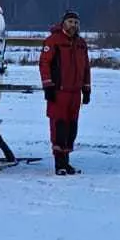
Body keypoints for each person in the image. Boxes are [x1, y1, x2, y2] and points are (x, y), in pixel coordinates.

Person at [39, 9, 92, 175]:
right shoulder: (53, 41)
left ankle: (66, 161)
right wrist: (48, 86)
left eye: (76, 23)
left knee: (71, 128)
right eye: (70, 22)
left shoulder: (81, 43)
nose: (73, 25)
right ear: (63, 23)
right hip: (58, 91)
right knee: (59, 126)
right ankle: (59, 163)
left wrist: (87, 88)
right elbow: (44, 64)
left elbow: (86, 68)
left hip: (75, 93)